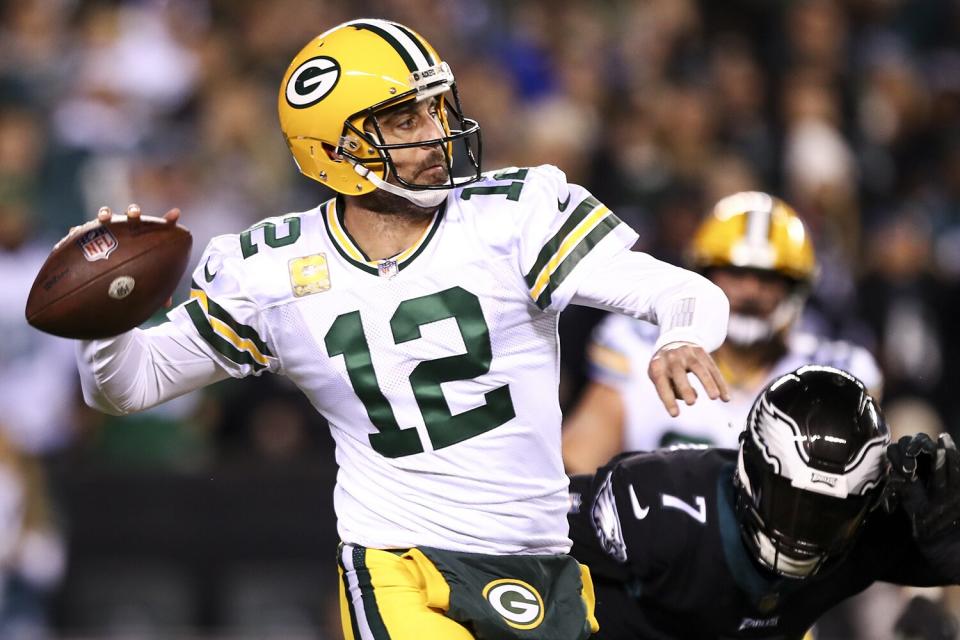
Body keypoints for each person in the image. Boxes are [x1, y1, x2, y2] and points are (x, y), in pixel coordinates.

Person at [70, 19, 731, 640]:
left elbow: (678, 288)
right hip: (397, 561)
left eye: (436, 107)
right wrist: (104, 317)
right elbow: (127, 384)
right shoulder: (273, 270)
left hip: (542, 553)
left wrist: (680, 333)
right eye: (404, 118)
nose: (434, 130)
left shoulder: (510, 218)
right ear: (335, 148)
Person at [567, 365, 960, 639]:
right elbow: (518, 522)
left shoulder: (866, 534)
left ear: (865, 504)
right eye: (790, 502)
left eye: (827, 512)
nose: (802, 532)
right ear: (749, 469)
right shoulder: (659, 504)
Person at [563, 191, 882, 473]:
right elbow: (579, 462)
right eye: (735, 273)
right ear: (701, 276)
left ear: (796, 290)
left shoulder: (833, 371)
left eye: (768, 279)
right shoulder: (638, 345)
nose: (750, 291)